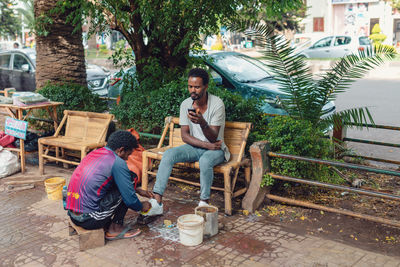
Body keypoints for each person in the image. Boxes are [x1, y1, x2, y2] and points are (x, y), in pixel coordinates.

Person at [143, 68, 230, 218]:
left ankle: (204, 202)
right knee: (169, 154)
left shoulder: (217, 104)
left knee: (205, 160)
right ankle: (157, 201)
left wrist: (202, 123)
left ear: (206, 86)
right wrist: (205, 145)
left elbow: (213, 139)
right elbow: (184, 136)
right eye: (190, 86)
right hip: (197, 147)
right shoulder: (186, 104)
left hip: (216, 149)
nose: (193, 90)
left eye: (197, 87)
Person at [66, 130, 153, 240]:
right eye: (127, 155)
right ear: (121, 150)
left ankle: (108, 222)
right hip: (89, 219)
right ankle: (115, 229)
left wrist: (137, 189)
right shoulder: (117, 162)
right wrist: (141, 206)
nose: (127, 159)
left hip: (73, 214)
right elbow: (129, 200)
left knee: (126, 181)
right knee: (131, 178)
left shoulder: (96, 153)